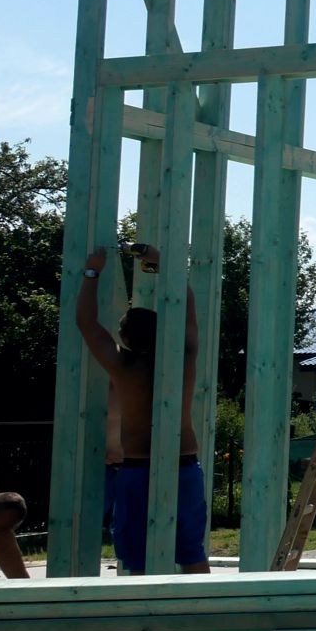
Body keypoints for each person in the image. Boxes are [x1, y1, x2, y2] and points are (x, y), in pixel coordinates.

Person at [75, 246, 210, 575]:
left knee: (136, 557)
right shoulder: (184, 358)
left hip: (137, 469)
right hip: (183, 465)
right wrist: (163, 263)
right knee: (191, 552)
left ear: (125, 338)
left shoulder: (123, 366)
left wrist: (92, 272)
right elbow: (188, 305)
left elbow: (86, 323)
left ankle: (144, 606)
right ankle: (203, 605)